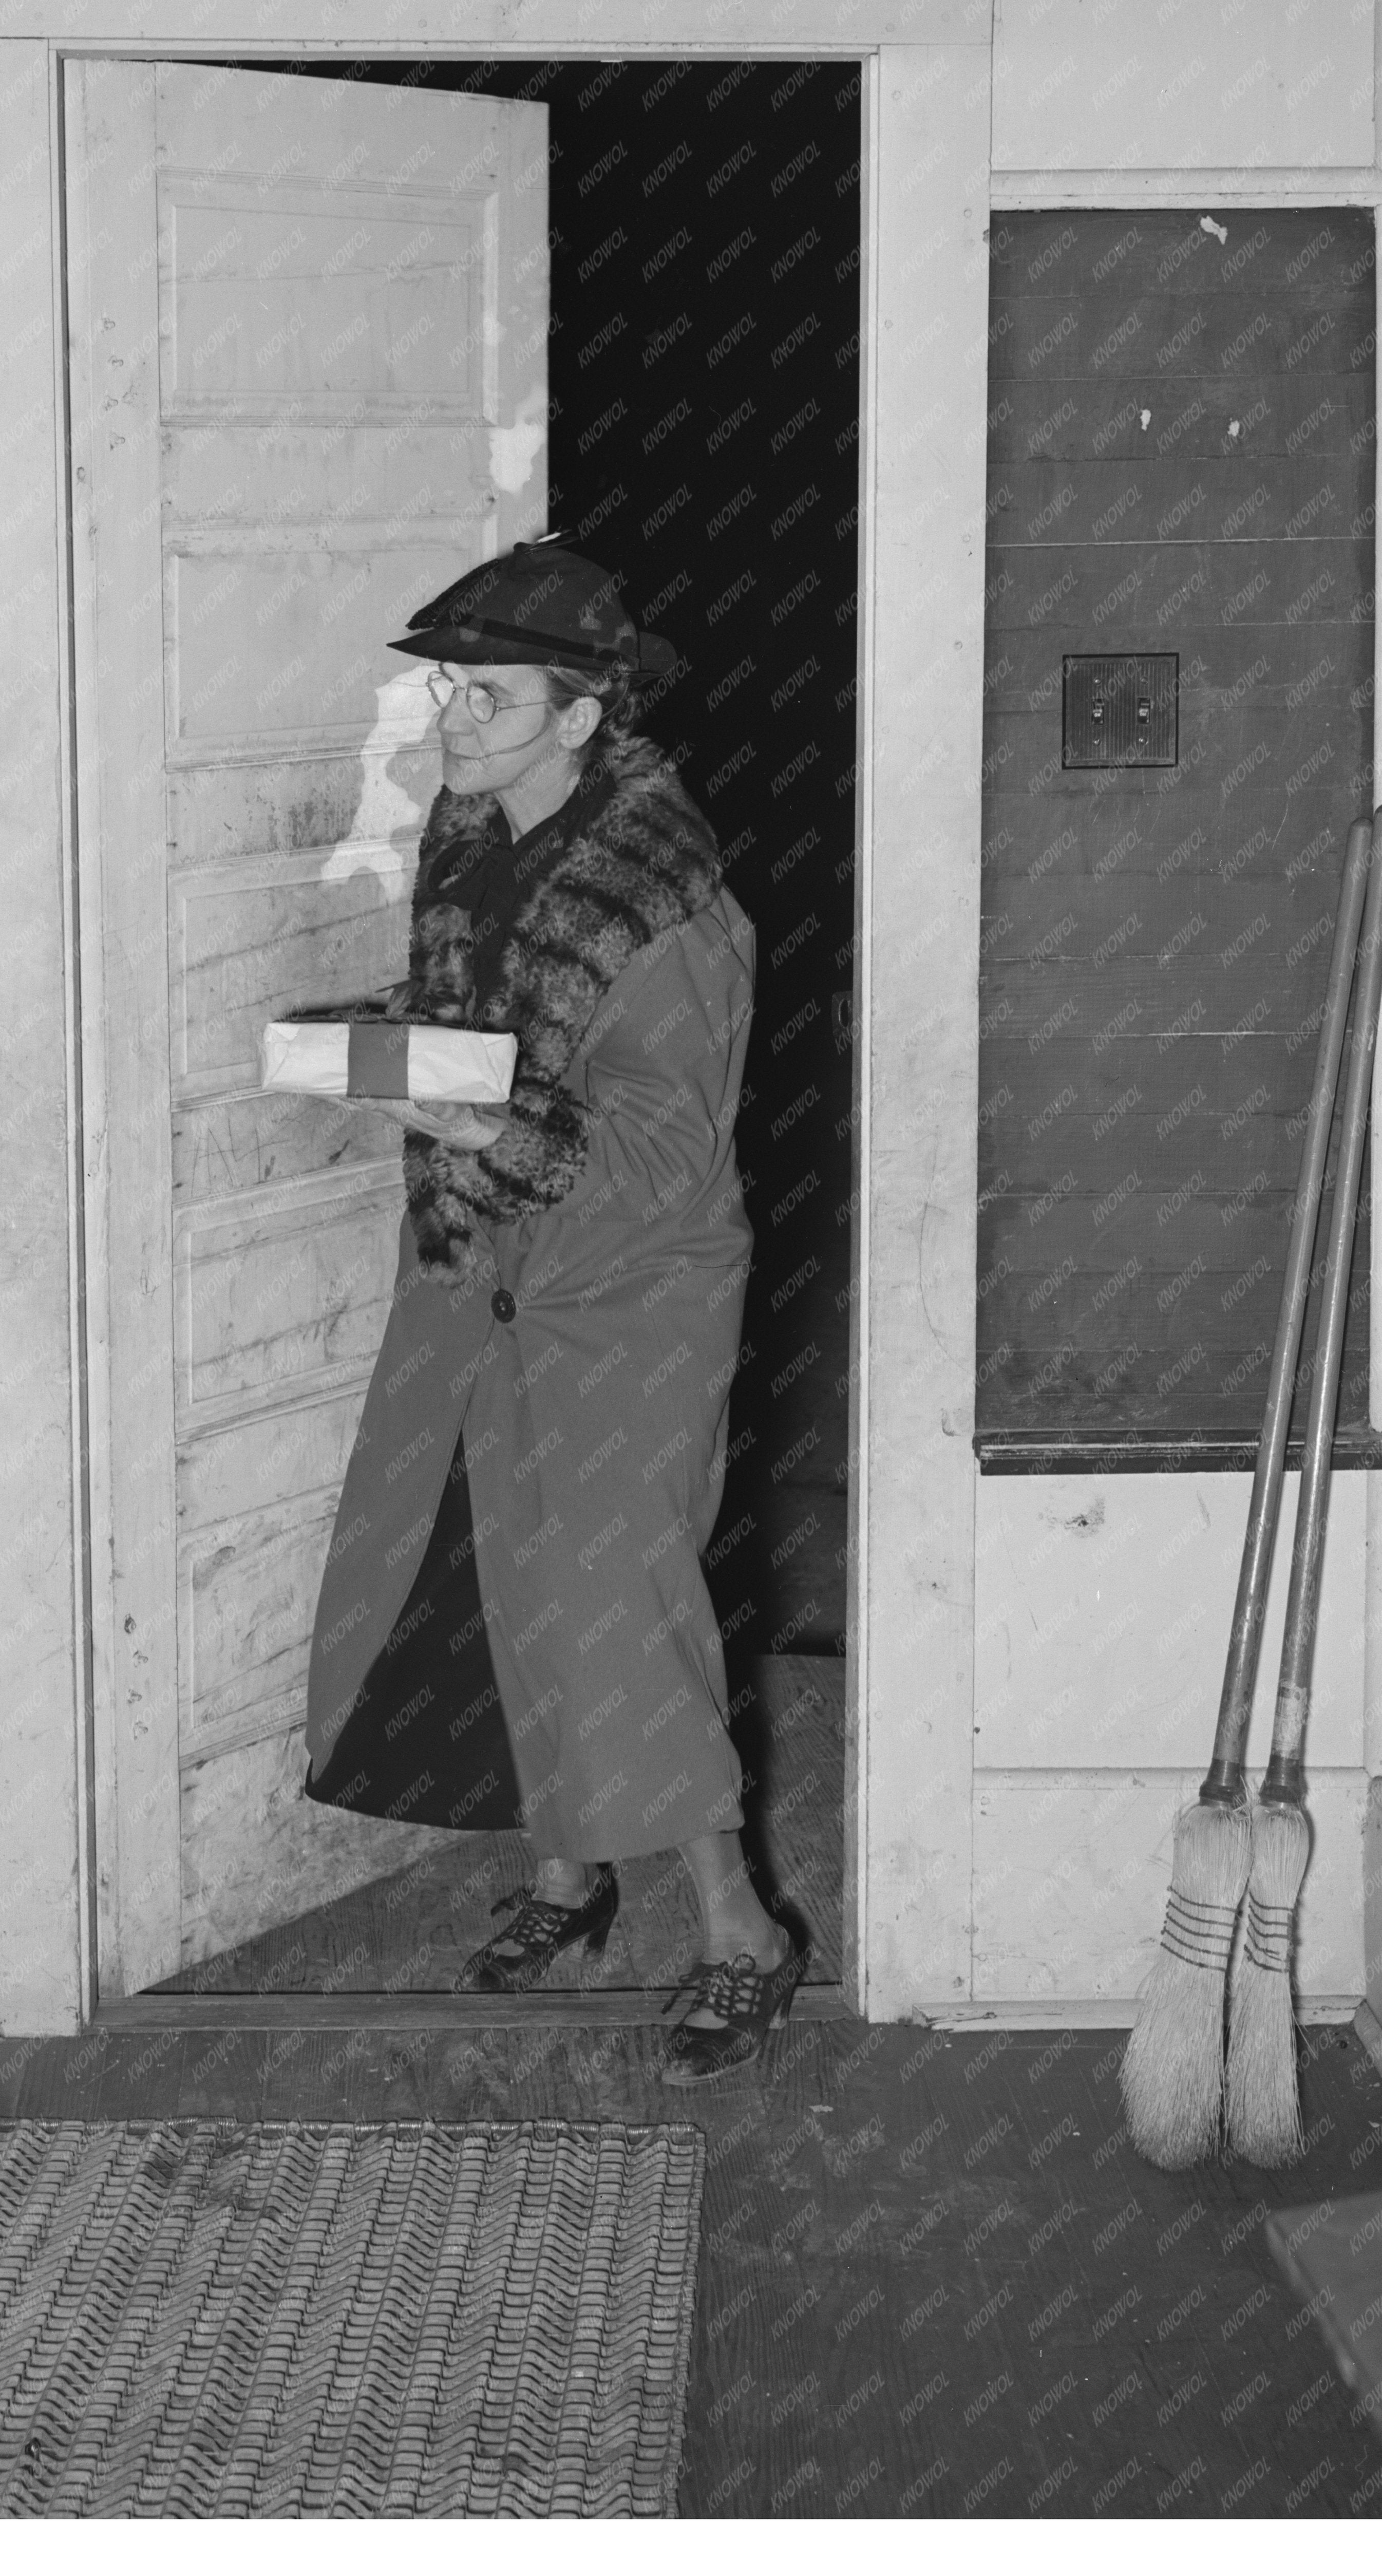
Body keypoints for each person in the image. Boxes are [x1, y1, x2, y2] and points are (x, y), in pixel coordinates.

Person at [302, 540, 805, 2083]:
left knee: (620, 1606)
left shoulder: (672, 905)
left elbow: (663, 1150)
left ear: (581, 715)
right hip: (478, 1272)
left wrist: (471, 1121)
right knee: (487, 1568)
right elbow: (484, 1041)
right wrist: (377, 1051)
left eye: (489, 692)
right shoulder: (471, 839)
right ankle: (564, 1879)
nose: (452, 714)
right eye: (448, 682)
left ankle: (739, 1934)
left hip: (626, 1295)